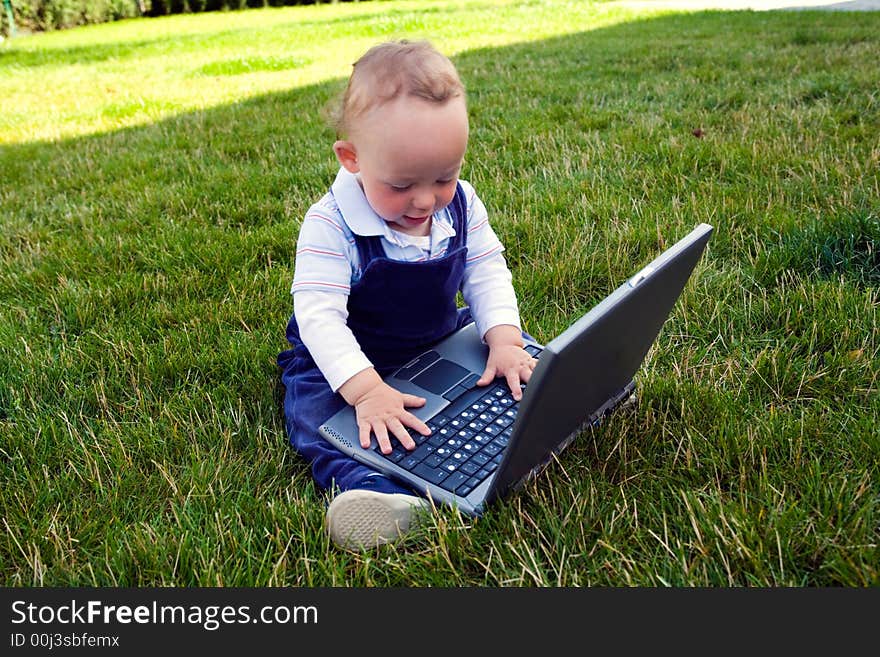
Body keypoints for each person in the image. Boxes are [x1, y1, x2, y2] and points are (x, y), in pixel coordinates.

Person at [277, 40, 536, 550]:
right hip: (350, 362)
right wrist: (367, 393)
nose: (425, 200)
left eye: (444, 175)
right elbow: (321, 321)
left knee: (515, 356)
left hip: (437, 338)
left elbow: (485, 268)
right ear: (351, 158)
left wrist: (504, 337)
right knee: (316, 417)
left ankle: (554, 408)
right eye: (401, 184)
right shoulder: (331, 225)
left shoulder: (459, 203)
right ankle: (372, 491)